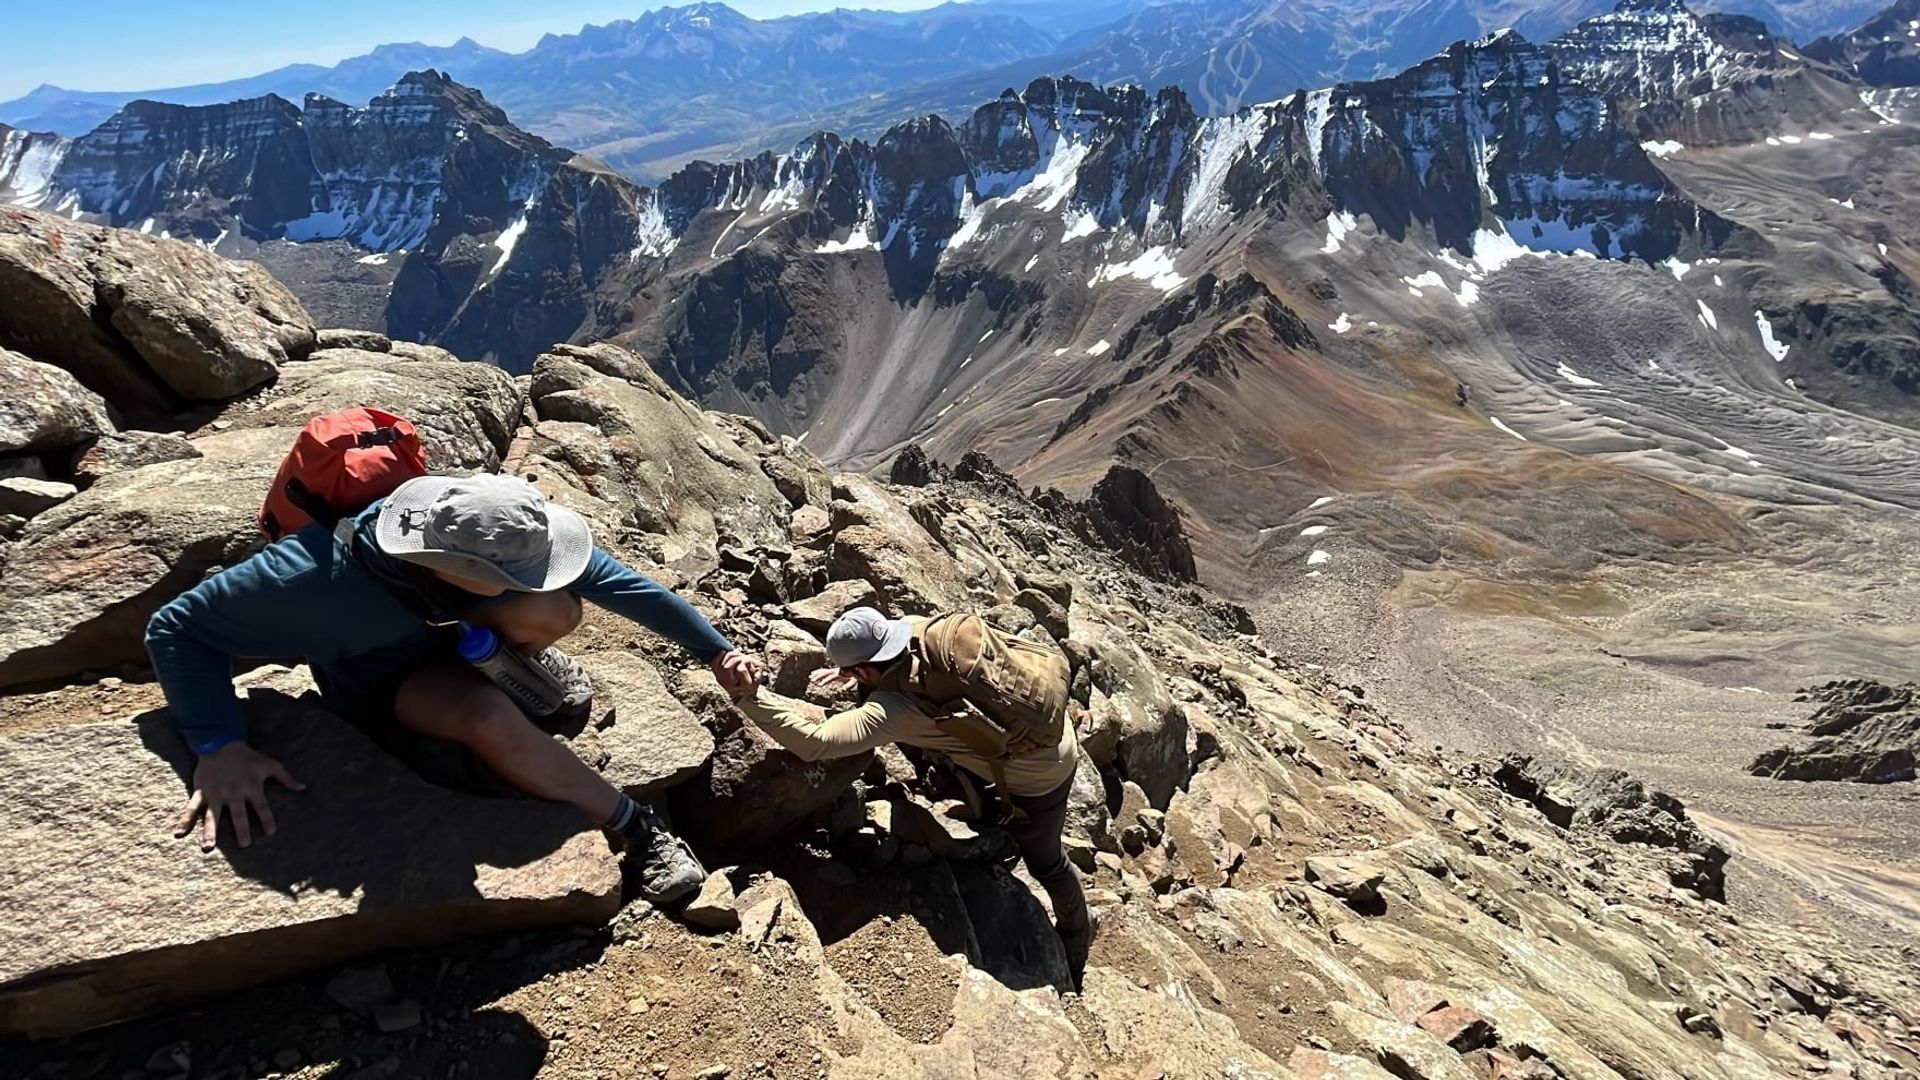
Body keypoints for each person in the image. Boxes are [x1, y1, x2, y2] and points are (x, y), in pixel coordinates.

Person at [145, 472, 758, 904]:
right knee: (488, 716)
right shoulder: (312, 579)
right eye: (522, 574)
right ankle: (638, 828)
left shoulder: (488, 523)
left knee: (555, 608)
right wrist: (218, 744)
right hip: (387, 680)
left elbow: (623, 587)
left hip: (456, 627)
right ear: (465, 573)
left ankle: (515, 668)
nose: (544, 570)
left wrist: (714, 648)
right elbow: (175, 628)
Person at [728, 606, 1092, 977]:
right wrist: (855, 674)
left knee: (1047, 863)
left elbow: (815, 742)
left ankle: (1077, 932)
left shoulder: (896, 711)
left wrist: (749, 697)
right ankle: (991, 823)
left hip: (1043, 776)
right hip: (1046, 729)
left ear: (866, 670)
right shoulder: (923, 632)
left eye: (856, 674)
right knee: (967, 773)